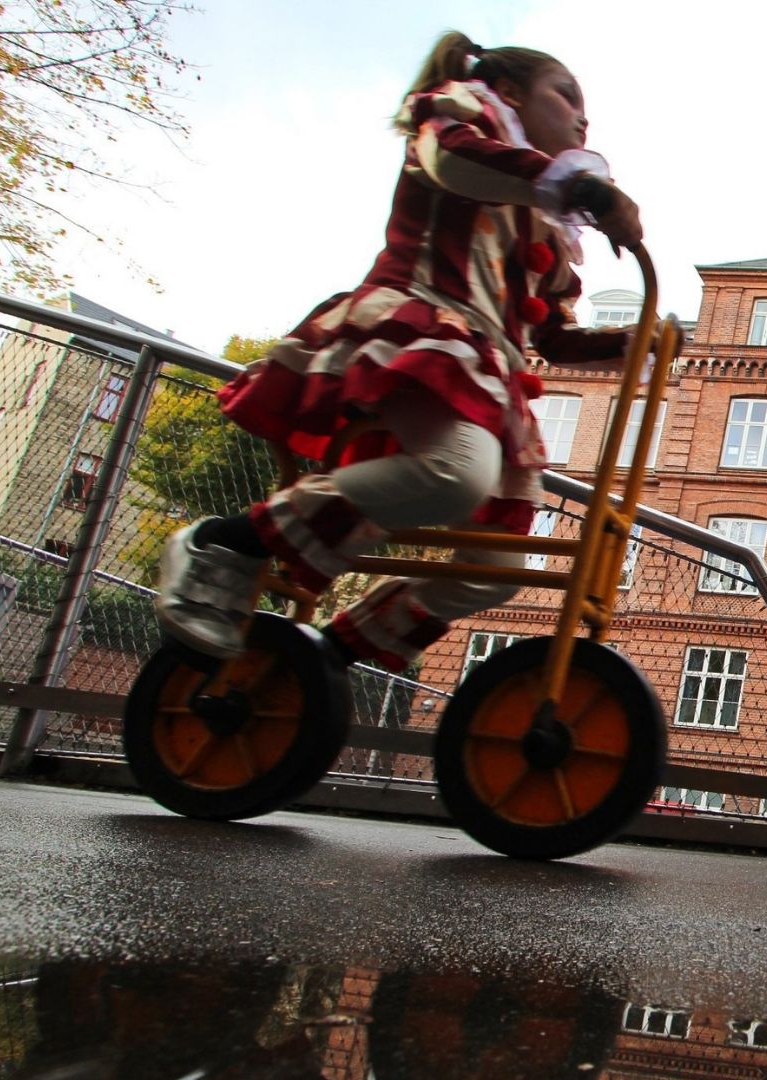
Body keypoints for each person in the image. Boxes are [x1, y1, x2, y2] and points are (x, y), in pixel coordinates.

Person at [153, 31, 646, 671]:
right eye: (567, 95)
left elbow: (547, 336)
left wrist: (624, 342)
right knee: (454, 473)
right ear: (512, 92)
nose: (582, 117)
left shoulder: (541, 222)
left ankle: (326, 657)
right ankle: (223, 542)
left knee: (496, 570)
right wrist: (589, 190)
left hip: (486, 368)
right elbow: (452, 159)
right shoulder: (463, 118)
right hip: (425, 327)